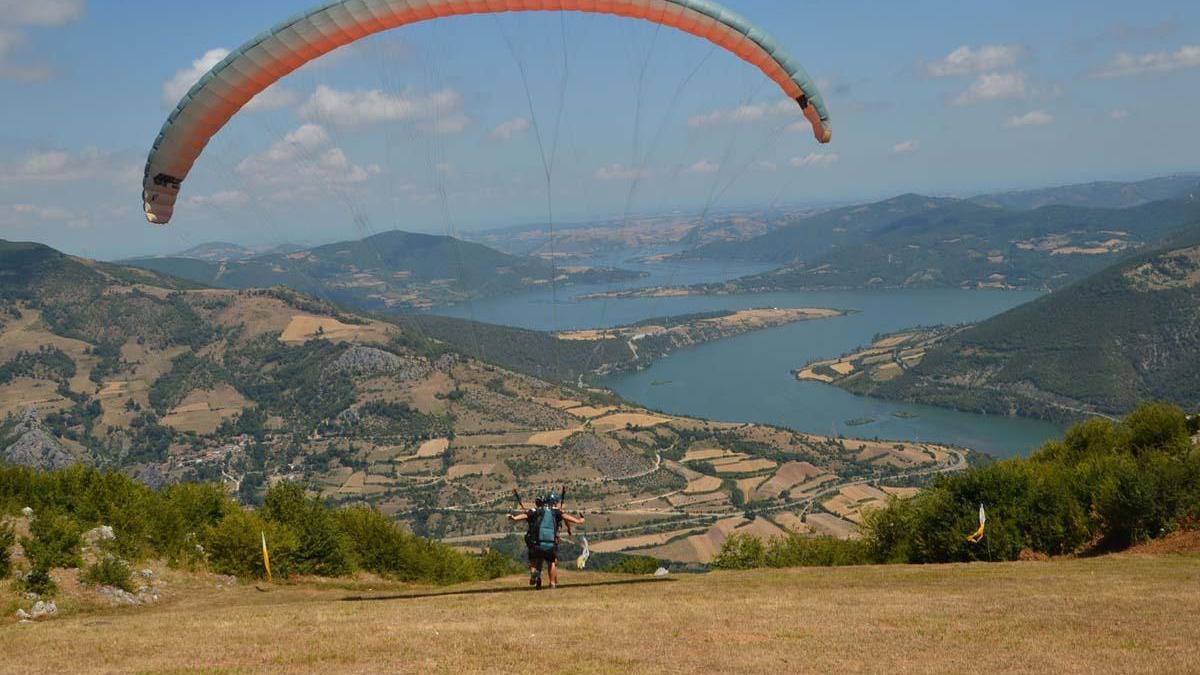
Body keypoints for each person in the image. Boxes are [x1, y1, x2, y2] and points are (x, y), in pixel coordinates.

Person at [508, 492, 584, 590]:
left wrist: (514, 518)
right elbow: (565, 517)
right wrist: (578, 521)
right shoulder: (555, 511)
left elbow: (525, 516)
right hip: (551, 542)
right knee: (552, 562)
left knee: (535, 560)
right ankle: (552, 583)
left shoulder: (536, 510)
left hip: (536, 543)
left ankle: (534, 573)